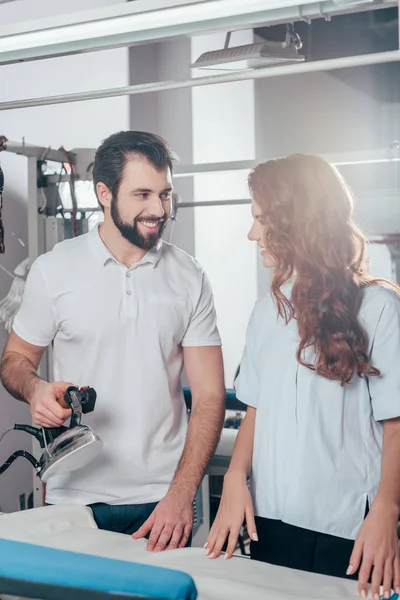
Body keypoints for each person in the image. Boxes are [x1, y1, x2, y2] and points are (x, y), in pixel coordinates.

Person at [0, 130, 225, 552]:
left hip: (163, 500)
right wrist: (36, 389)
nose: (158, 209)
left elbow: (211, 396)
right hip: (75, 497)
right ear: (105, 193)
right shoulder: (54, 270)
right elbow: (14, 360)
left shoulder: (189, 276)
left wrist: (182, 492)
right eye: (142, 194)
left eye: (165, 194)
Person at [205, 154, 400, 600]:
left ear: (296, 221)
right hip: (271, 522)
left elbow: (396, 426)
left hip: (350, 529)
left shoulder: (379, 308)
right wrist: (235, 480)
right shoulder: (265, 313)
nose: (252, 233)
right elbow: (256, 408)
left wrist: (387, 513)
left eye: (260, 219)